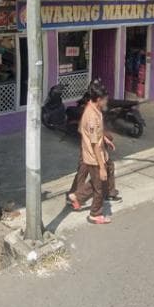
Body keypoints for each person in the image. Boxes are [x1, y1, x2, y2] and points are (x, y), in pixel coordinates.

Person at [67, 81, 113, 224]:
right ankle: (95, 214)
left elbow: (95, 133)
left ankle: (78, 196)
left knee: (99, 180)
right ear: (99, 99)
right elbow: (94, 144)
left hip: (97, 153)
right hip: (94, 156)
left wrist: (105, 138)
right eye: (105, 99)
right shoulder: (91, 116)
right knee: (99, 187)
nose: (107, 102)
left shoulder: (94, 109)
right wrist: (101, 166)